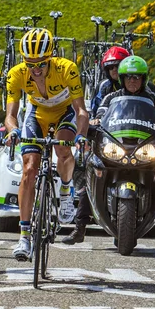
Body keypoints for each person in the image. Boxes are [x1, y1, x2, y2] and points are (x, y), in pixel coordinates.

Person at [4, 28, 88, 261]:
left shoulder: (67, 69)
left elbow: (81, 111)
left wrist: (81, 136)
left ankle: (65, 190)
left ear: (50, 57)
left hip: (65, 114)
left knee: (62, 148)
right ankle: (24, 236)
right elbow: (10, 115)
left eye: (41, 63)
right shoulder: (16, 74)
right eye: (30, 63)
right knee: (29, 169)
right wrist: (13, 131)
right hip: (37, 116)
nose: (36, 68)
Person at [62, 46, 131, 244]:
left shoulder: (145, 87)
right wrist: (91, 123)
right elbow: (95, 112)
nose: (115, 72)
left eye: (118, 67)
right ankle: (80, 227)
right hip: (109, 140)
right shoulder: (105, 89)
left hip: (137, 143)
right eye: (111, 69)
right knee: (87, 170)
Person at [94, 56, 155, 126]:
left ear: (143, 79)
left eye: (136, 77)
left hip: (147, 139)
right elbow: (101, 114)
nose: (132, 81)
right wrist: (96, 120)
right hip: (117, 137)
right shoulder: (110, 97)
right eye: (128, 76)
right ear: (122, 79)